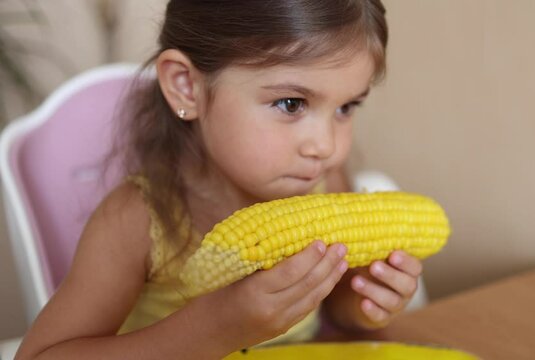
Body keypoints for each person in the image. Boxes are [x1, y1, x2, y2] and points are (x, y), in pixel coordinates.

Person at [15, 1, 424, 359]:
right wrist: (214, 329)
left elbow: (333, 309)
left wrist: (361, 300)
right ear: (187, 87)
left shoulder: (322, 179)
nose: (326, 146)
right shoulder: (139, 218)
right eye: (291, 103)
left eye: (347, 107)